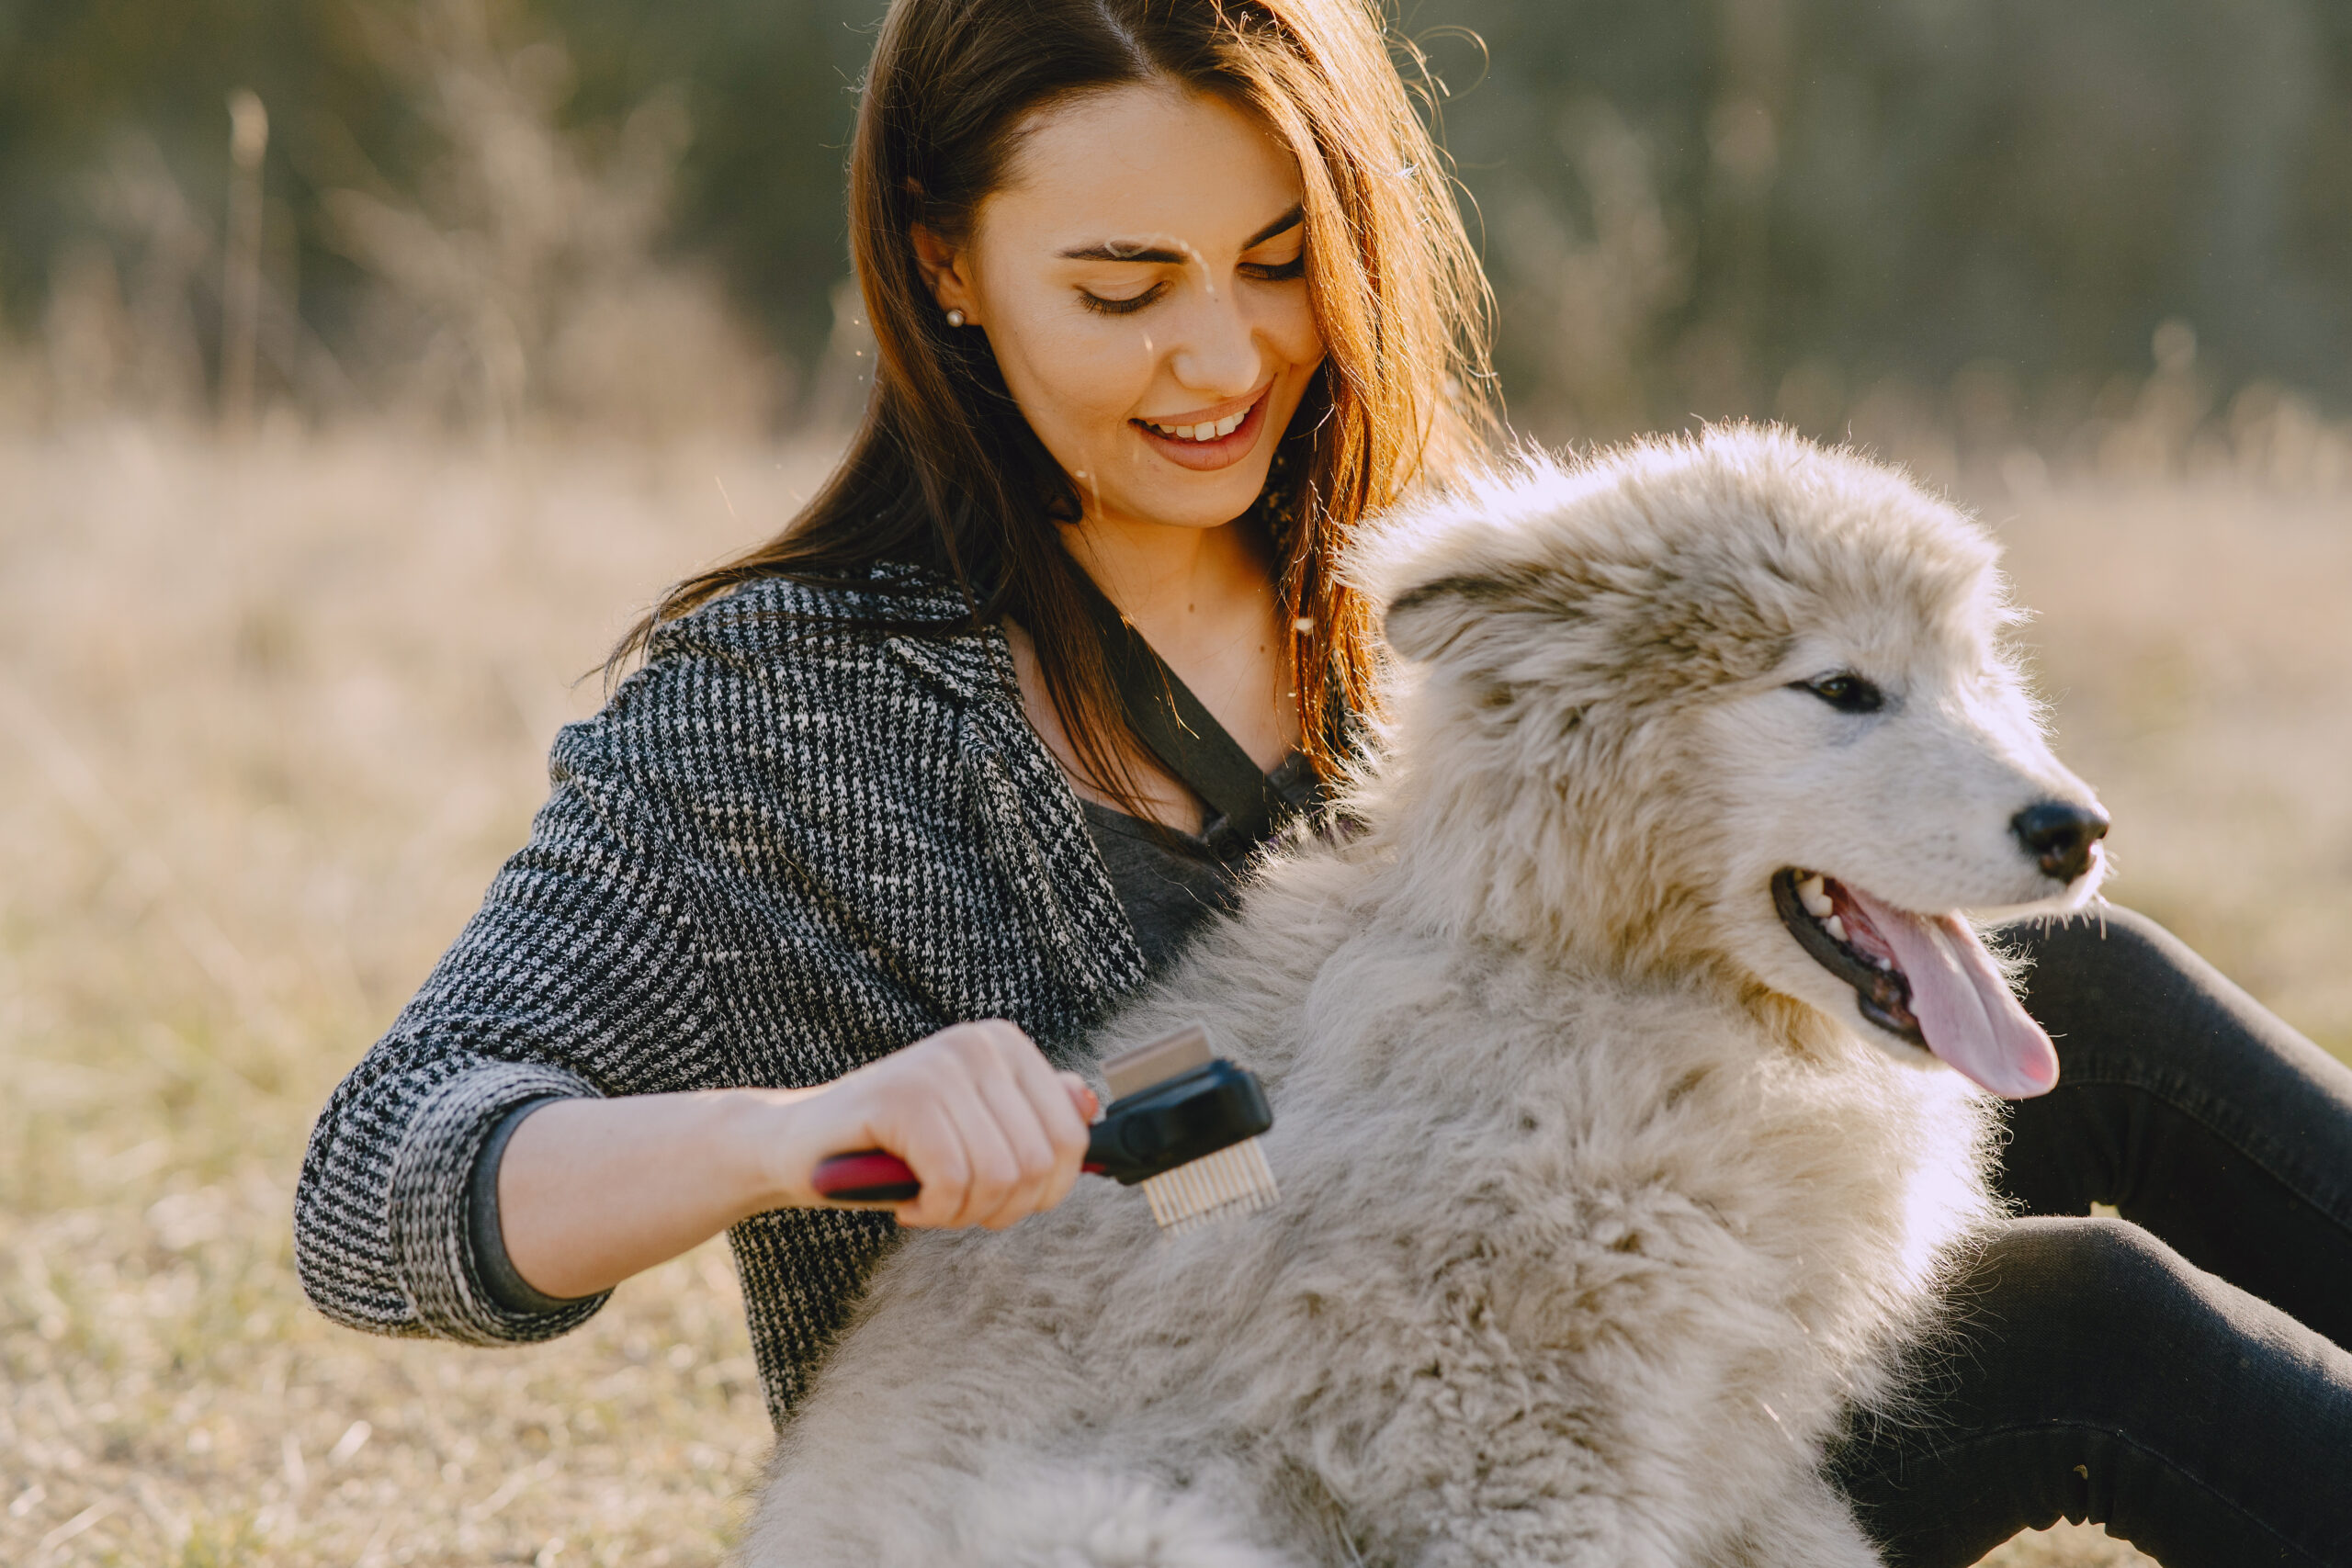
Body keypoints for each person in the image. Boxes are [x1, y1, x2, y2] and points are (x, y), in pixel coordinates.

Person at [294, 1, 2352, 1562]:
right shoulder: (791, 722)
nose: (1221, 362)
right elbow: (384, 1183)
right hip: (1208, 1461)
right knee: (2087, 1320)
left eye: (1279, 259)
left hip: (1600, 1357)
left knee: (2082, 999)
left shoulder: (1436, 584)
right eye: (1121, 288)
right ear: (943, 262)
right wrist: (806, 1130)